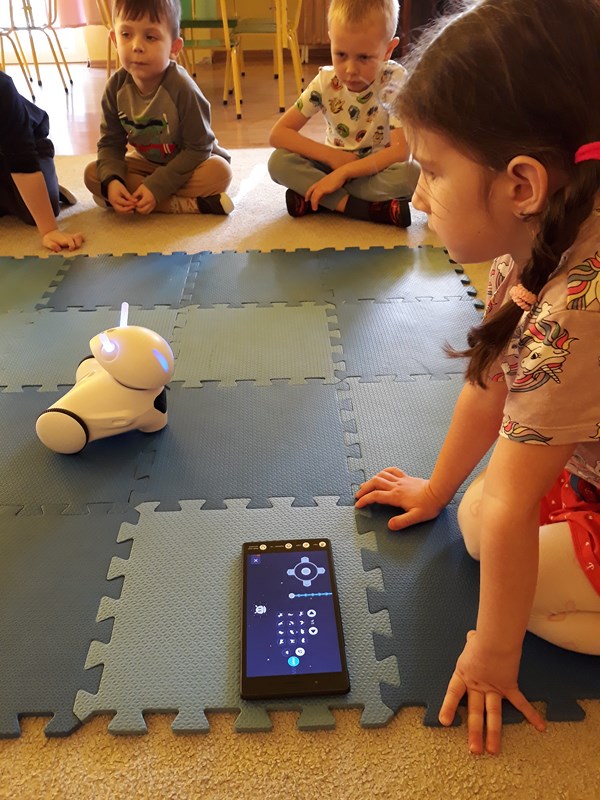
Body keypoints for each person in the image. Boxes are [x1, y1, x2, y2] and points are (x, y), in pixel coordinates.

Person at [355, 0, 600, 755]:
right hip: (584, 465)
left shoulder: (579, 309)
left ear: (522, 184)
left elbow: (516, 504)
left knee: (505, 551)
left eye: (431, 171)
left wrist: (493, 654)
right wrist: (436, 488)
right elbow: (492, 379)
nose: (417, 195)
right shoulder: (537, 239)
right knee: (475, 520)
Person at [267, 0, 419, 227]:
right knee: (278, 162)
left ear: (388, 50)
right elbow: (278, 134)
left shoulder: (394, 80)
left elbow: (400, 151)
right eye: (340, 54)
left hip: (375, 169)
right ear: (331, 40)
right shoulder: (325, 81)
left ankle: (319, 196)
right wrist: (332, 157)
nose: (350, 69)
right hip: (332, 166)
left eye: (364, 57)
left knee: (412, 174)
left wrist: (345, 173)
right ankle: (363, 209)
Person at [84, 0, 233, 217]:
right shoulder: (115, 88)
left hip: (190, 164)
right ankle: (184, 204)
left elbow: (198, 149)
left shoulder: (182, 88)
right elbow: (110, 143)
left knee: (220, 172)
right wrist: (113, 181)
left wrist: (156, 186)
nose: (136, 46)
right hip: (145, 163)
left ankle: (150, 200)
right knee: (94, 174)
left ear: (174, 48)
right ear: (115, 39)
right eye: (126, 34)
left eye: (150, 37)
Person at [0, 71, 84, 253]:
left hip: (29, 149)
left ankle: (44, 182)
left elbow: (23, 164)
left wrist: (49, 231)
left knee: (37, 212)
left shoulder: (2, 88)